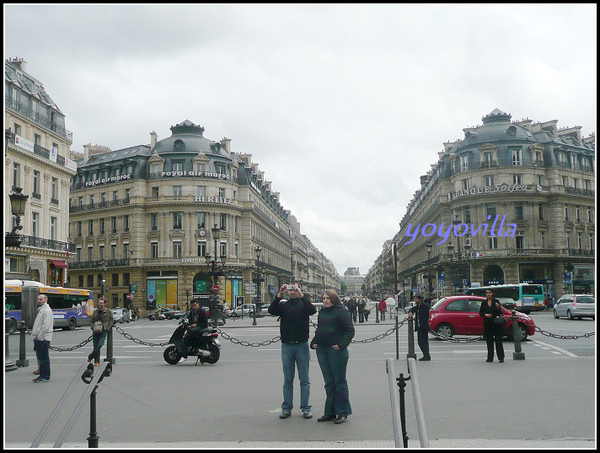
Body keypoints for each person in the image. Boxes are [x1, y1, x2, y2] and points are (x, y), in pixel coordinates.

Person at [268, 283, 316, 420]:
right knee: (288, 380)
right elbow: (272, 310)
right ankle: (286, 408)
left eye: (295, 289)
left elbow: (312, 310)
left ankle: (306, 408)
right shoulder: (284, 305)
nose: (292, 292)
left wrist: (302, 294)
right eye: (290, 290)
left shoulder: (303, 304)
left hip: (302, 345)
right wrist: (279, 295)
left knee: (304, 379)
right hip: (287, 345)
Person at [311, 289, 355, 424]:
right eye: (323, 298)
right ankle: (329, 412)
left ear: (334, 299)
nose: (325, 300)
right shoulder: (322, 312)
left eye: (328, 298)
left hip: (336, 351)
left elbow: (350, 330)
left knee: (339, 382)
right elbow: (320, 330)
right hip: (322, 350)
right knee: (329, 382)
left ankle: (342, 412)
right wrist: (314, 342)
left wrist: (341, 345)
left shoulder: (342, 311)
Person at [31, 294, 53, 382]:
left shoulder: (46, 310)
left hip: (43, 338)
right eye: (38, 299)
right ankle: (43, 374)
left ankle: (44, 375)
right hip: (40, 337)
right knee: (41, 357)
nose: (39, 301)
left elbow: (46, 326)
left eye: (41, 299)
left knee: (43, 357)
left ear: (46, 300)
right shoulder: (42, 310)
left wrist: (40, 336)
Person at [479, 289, 505, 363]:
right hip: (487, 323)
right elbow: (480, 313)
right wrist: (485, 315)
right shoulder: (484, 302)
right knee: (489, 341)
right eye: (487, 293)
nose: (488, 294)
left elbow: (500, 313)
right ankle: (490, 357)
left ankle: (501, 357)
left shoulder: (496, 301)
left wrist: (498, 307)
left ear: (492, 293)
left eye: (489, 293)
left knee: (498, 341)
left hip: (496, 323)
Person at [88, 297, 114, 365]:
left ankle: (90, 356)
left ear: (104, 304)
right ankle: (97, 361)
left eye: (101, 303)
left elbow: (112, 320)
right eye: (99, 303)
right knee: (95, 346)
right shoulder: (95, 311)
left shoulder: (108, 312)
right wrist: (93, 327)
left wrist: (107, 327)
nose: (100, 304)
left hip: (103, 330)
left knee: (100, 344)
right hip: (96, 331)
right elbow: (92, 321)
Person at [408, 295, 431, 361]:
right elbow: (412, 309)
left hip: (424, 327)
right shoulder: (418, 307)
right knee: (420, 342)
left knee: (424, 342)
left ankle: (426, 355)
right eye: (415, 299)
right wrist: (410, 312)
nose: (415, 300)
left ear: (420, 299)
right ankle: (426, 355)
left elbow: (425, 317)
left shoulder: (425, 306)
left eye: (416, 299)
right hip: (419, 327)